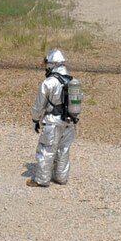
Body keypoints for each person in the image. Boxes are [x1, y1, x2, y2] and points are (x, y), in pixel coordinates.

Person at [28, 48, 79, 187]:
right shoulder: (74, 81)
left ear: (52, 64)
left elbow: (39, 105)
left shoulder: (49, 82)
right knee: (64, 150)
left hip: (53, 121)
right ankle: (61, 178)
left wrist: (35, 119)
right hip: (70, 122)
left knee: (46, 150)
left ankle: (42, 180)